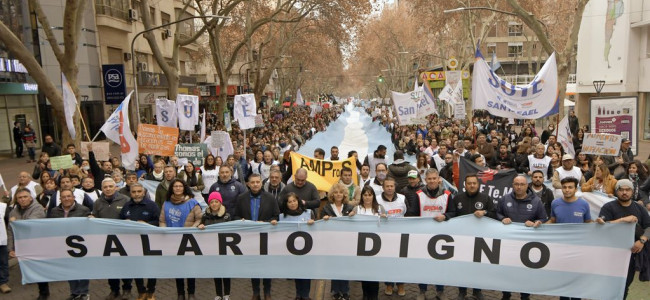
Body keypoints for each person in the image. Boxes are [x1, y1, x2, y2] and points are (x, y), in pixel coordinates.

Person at [596, 179, 650, 299]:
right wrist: (622, 220)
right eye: (621, 189)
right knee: (608, 285)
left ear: (632, 191)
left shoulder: (639, 208)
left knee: (624, 285)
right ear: (616, 191)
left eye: (627, 190)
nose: (624, 192)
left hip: (630, 255)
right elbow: (602, 226)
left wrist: (642, 240)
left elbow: (648, 226)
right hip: (611, 254)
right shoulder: (608, 207)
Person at [497, 175, 548, 300]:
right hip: (508, 243)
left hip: (527, 244)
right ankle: (506, 294)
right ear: (512, 185)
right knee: (507, 270)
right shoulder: (505, 199)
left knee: (525, 272)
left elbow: (543, 218)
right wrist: (502, 218)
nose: (519, 187)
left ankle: (525, 295)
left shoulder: (536, 201)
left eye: (522, 184)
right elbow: (497, 213)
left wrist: (536, 222)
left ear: (527, 185)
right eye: (516, 184)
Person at [409, 168, 455, 300]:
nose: (432, 181)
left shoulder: (447, 194)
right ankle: (422, 291)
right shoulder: (418, 194)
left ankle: (440, 290)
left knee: (440, 265)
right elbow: (413, 213)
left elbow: (453, 212)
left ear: (439, 179)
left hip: (441, 237)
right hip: (423, 236)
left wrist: (445, 216)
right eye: (429, 179)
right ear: (425, 180)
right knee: (422, 264)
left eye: (434, 178)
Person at [234, 174, 279, 300]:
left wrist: (267, 222)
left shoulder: (270, 198)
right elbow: (235, 216)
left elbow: (276, 216)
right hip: (249, 238)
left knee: (266, 265)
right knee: (253, 265)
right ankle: (255, 292)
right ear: (248, 184)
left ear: (261, 183)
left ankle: (267, 292)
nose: (255, 184)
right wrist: (241, 220)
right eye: (252, 182)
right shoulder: (241, 198)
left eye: (257, 182)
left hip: (266, 237)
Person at [453, 174, 495, 300]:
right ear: (465, 185)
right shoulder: (457, 198)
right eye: (469, 183)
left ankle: (477, 290)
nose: (472, 185)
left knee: (478, 266)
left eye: (474, 183)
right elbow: (452, 214)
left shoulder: (486, 198)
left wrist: (485, 212)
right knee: (462, 266)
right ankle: (462, 291)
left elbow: (494, 213)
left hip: (480, 239)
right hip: (462, 239)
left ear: (478, 185)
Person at [159, 179, 203, 300]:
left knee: (189, 268)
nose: (178, 188)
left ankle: (191, 293)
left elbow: (199, 219)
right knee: (177, 268)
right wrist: (164, 230)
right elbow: (162, 220)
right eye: (175, 186)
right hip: (173, 241)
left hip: (189, 241)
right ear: (172, 188)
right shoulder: (166, 203)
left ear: (184, 188)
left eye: (180, 186)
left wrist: (192, 230)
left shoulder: (192, 203)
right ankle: (180, 294)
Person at [91, 178, 133, 299]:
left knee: (124, 265)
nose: (108, 189)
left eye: (110, 186)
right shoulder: (98, 202)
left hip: (123, 239)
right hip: (106, 240)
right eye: (105, 187)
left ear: (115, 187)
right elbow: (95, 217)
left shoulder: (125, 200)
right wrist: (92, 217)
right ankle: (114, 290)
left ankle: (127, 289)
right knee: (110, 267)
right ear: (102, 189)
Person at [49, 188, 91, 300]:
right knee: (69, 269)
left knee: (82, 269)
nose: (66, 198)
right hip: (63, 244)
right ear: (60, 199)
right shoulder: (54, 211)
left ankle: (84, 293)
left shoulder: (84, 210)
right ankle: (74, 292)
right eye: (64, 197)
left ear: (74, 197)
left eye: (69, 196)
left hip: (80, 244)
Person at [119, 183, 159, 300]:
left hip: (149, 241)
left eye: (138, 191)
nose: (136, 194)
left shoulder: (152, 206)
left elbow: (159, 222)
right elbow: (120, 221)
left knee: (151, 267)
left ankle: (151, 291)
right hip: (132, 242)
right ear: (130, 193)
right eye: (134, 192)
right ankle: (141, 291)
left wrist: (146, 225)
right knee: (137, 267)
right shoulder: (126, 206)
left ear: (143, 192)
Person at [6, 188, 48, 299]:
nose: (23, 199)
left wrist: (16, 222)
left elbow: (31, 224)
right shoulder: (13, 212)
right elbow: (10, 231)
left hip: (38, 245)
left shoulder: (38, 208)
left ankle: (43, 293)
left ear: (30, 197)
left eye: (25, 197)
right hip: (24, 246)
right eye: (20, 197)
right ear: (17, 199)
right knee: (32, 269)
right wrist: (10, 249)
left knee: (40, 269)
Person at [321, 183, 356, 300]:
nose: (338, 195)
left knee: (344, 267)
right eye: (336, 192)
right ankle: (335, 290)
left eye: (341, 192)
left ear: (344, 194)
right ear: (332, 194)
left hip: (346, 243)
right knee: (334, 267)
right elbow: (321, 225)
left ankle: (345, 291)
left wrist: (353, 217)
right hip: (332, 243)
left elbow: (354, 226)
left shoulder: (349, 208)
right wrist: (324, 219)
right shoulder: (326, 208)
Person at [279, 192, 315, 300]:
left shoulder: (309, 213)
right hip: (291, 251)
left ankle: (306, 295)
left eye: (294, 201)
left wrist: (313, 223)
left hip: (307, 250)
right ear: (286, 204)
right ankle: (298, 294)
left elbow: (317, 229)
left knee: (306, 273)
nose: (292, 204)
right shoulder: (282, 217)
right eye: (289, 202)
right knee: (296, 273)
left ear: (298, 201)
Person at [198, 192, 232, 300]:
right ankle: (218, 294)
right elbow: (200, 228)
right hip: (212, 248)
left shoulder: (227, 216)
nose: (214, 204)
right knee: (216, 271)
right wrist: (201, 226)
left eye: (216, 202)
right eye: (212, 202)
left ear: (220, 203)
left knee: (226, 272)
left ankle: (227, 294)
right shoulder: (205, 216)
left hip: (224, 247)